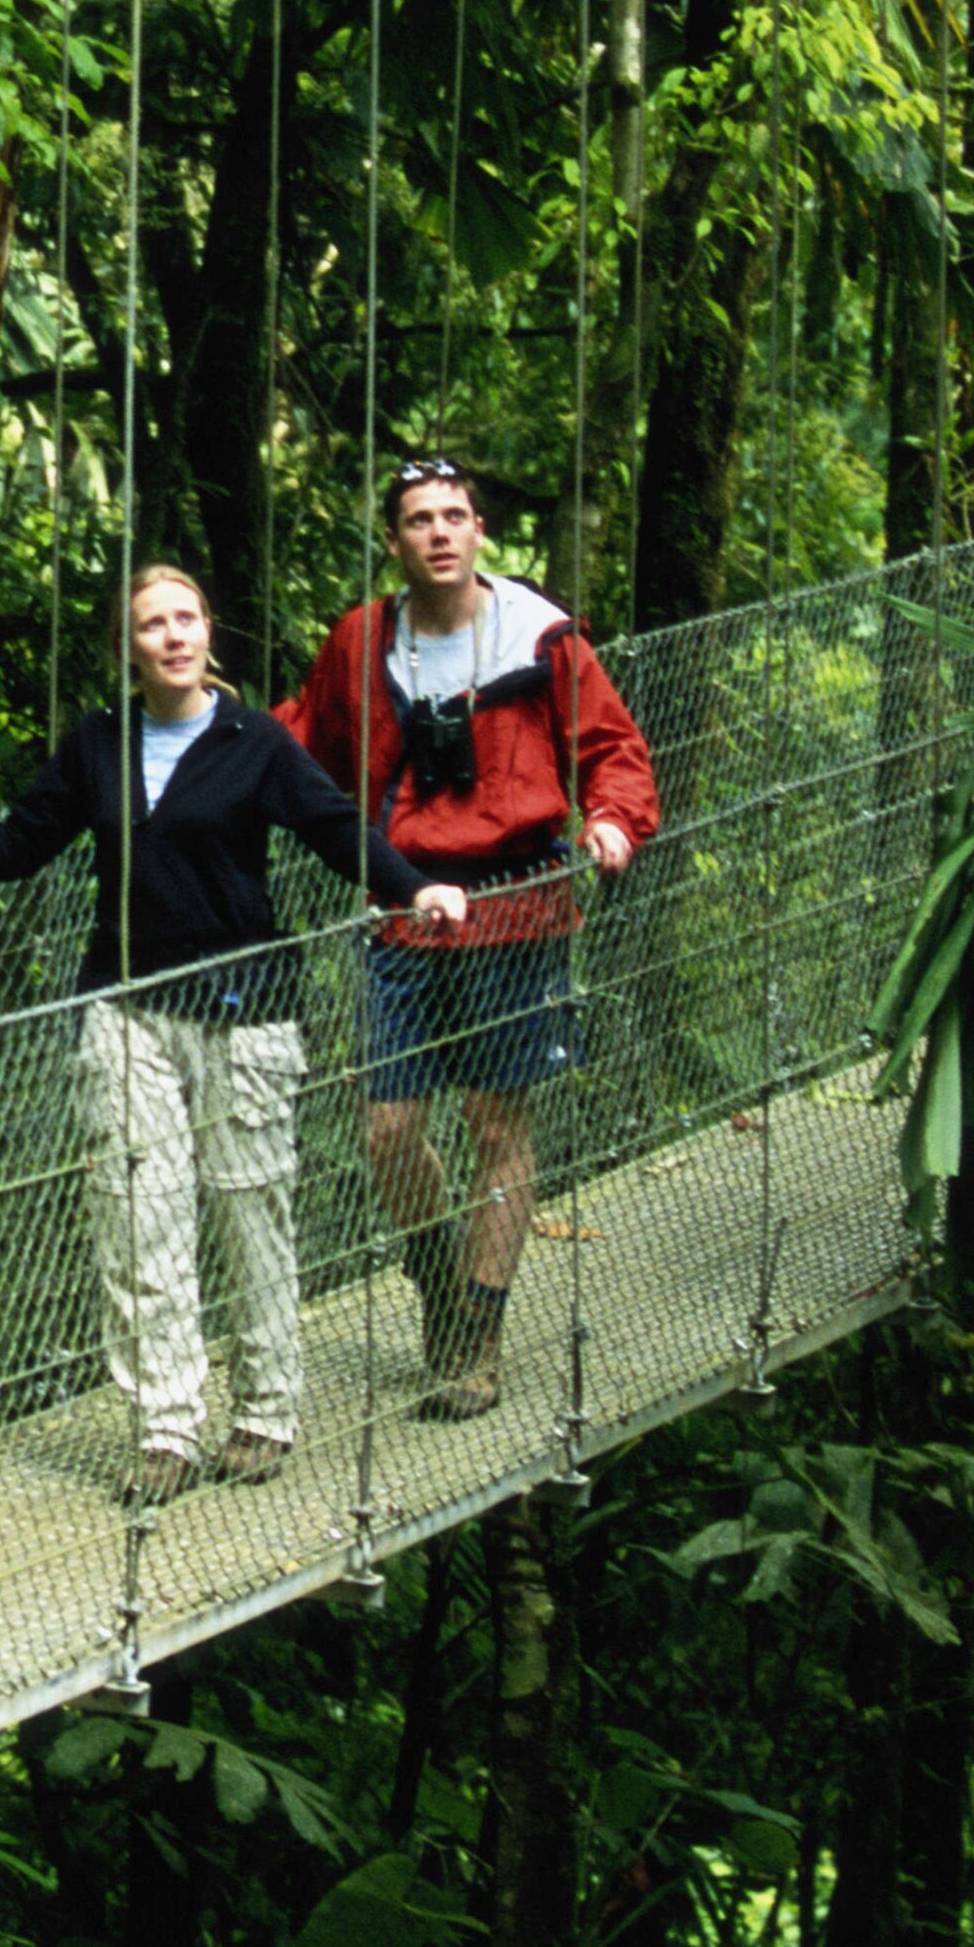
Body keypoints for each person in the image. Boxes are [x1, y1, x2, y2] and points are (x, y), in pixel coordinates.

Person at [0, 564, 468, 1505]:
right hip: (127, 1005)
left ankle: (266, 1410)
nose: (174, 636)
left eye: (187, 618)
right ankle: (166, 1430)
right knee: (140, 1220)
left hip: (243, 1008)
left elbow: (334, 827)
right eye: (153, 624)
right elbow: (25, 842)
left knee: (246, 1206)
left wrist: (412, 887)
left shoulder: (253, 740)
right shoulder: (98, 744)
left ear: (209, 632)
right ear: (129, 645)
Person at [278, 458, 662, 1420]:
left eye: (454, 515)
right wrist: (202, 747)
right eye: (418, 519)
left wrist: (613, 818)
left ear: (481, 530)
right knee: (388, 1128)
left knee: (497, 1126)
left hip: (519, 904)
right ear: (395, 541)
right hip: (406, 909)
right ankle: (441, 1283)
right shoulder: (364, 644)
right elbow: (298, 742)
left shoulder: (540, 639)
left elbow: (613, 749)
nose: (439, 532)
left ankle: (475, 1338)